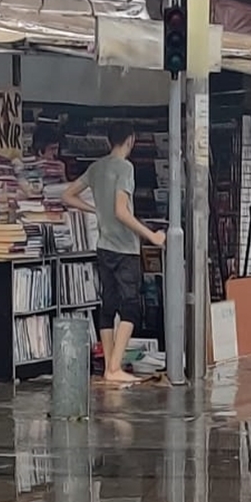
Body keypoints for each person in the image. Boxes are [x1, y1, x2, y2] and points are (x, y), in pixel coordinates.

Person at [62, 120, 165, 385]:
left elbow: (68, 195)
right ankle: (115, 367)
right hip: (124, 249)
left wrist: (94, 210)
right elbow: (122, 211)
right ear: (130, 140)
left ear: (109, 141)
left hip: (103, 246)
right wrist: (151, 234)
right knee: (130, 308)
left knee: (108, 306)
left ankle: (110, 366)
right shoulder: (125, 168)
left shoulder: (97, 168)